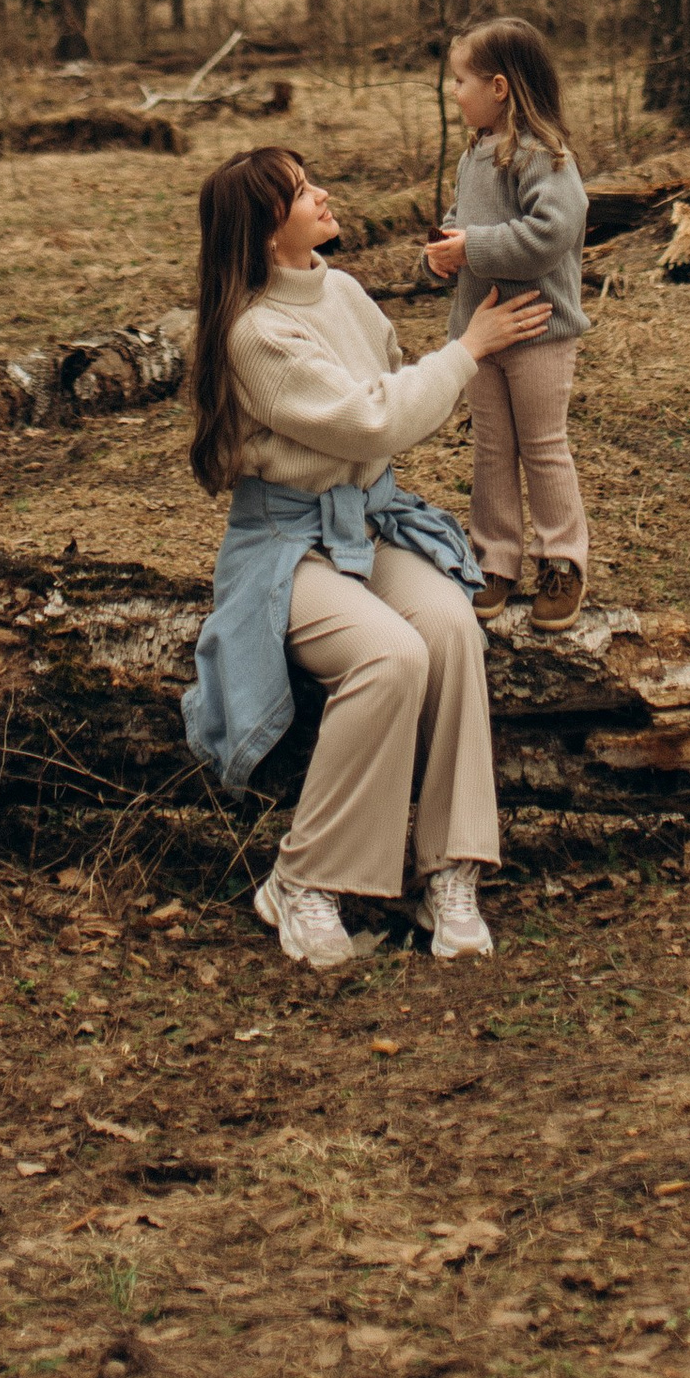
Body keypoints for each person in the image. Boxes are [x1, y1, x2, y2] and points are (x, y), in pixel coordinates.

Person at [181, 145, 551, 972]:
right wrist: (469, 350)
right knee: (390, 655)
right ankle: (303, 880)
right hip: (287, 544)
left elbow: (393, 389)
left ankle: (449, 871)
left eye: (312, 180)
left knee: (451, 627)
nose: (323, 194)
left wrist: (461, 347)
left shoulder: (342, 290)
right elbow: (374, 420)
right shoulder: (254, 333)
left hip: (367, 521)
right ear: (265, 230)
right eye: (301, 191)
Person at [422, 14, 591, 629]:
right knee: (492, 447)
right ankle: (495, 560)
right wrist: (442, 252)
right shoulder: (475, 153)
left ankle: (562, 560)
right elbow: (460, 221)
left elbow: (551, 233)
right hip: (480, 329)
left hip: (539, 329)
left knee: (542, 446)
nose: (453, 93)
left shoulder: (545, 156)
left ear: (498, 87)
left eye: (460, 81)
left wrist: (474, 247)